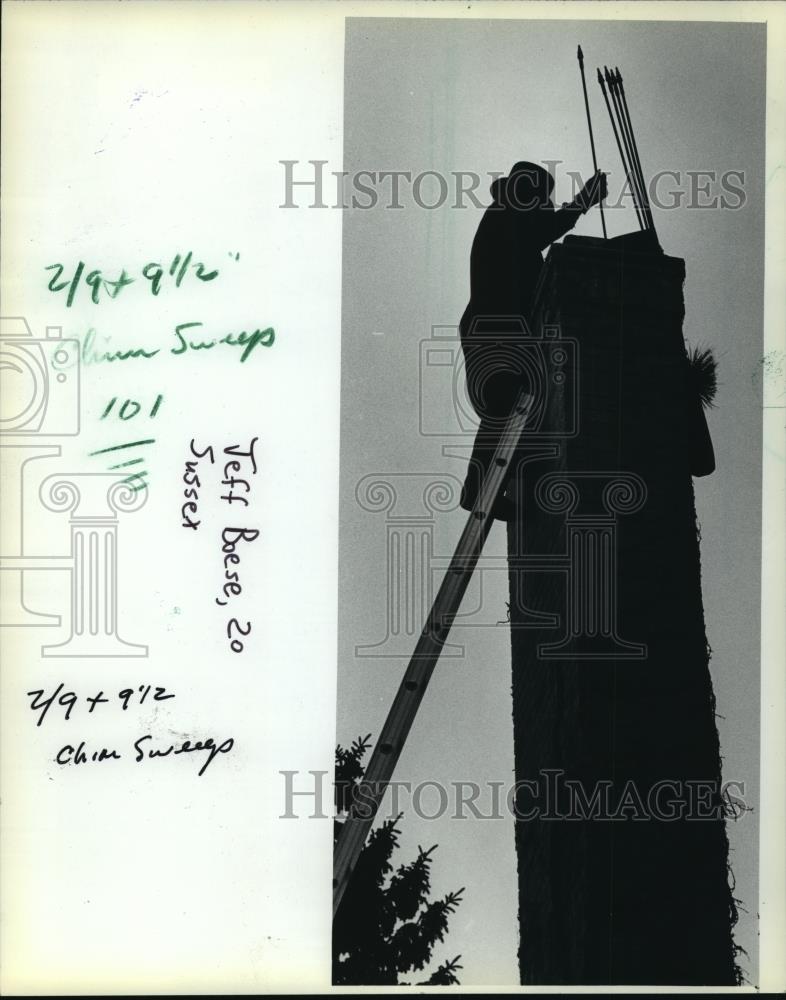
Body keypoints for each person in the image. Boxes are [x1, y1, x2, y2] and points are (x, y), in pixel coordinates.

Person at [459, 162, 607, 517]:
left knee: (510, 401)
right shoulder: (506, 215)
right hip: (492, 327)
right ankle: (477, 488)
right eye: (541, 196)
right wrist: (583, 201)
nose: (545, 203)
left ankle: (491, 483)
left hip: (495, 326)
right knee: (505, 398)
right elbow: (543, 229)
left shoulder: (510, 222)